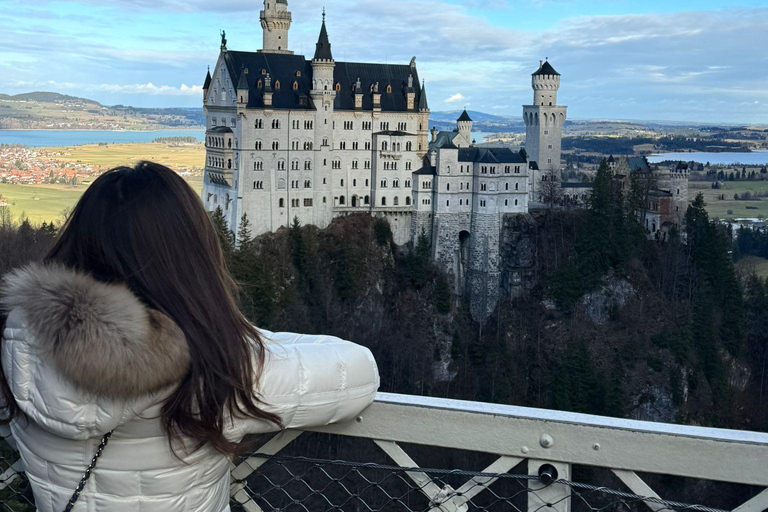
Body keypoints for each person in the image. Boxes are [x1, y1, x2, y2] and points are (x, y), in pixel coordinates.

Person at [0, 161, 379, 511]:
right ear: (190, 255)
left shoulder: (17, 347)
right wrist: (227, 333)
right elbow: (359, 372)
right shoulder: (218, 366)